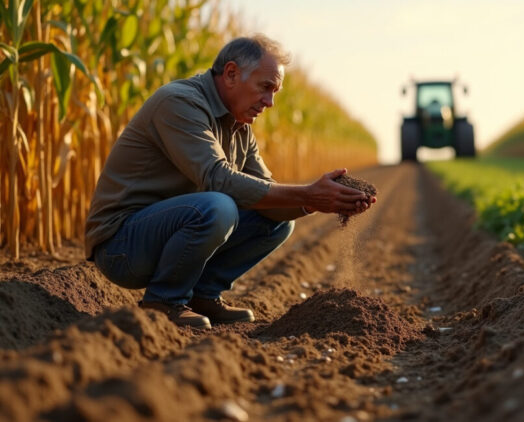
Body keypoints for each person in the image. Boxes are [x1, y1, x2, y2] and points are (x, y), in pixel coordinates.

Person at [84, 34, 375, 329]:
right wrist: (309, 194)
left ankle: (202, 295)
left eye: (275, 92)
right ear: (232, 74)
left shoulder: (240, 127)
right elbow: (217, 178)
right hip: (122, 245)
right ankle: (163, 302)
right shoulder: (179, 102)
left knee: (277, 221)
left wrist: (318, 201)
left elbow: (267, 191)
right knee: (218, 206)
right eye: (265, 87)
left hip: (167, 233)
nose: (270, 102)